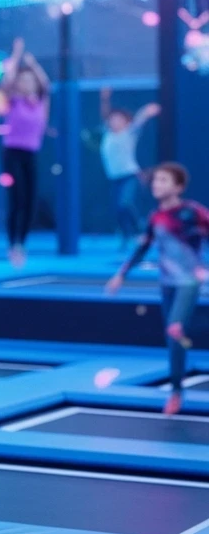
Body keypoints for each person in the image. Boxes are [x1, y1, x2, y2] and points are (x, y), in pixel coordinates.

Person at [107, 163, 209, 415]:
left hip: (189, 281)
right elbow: (142, 249)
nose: (156, 185)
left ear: (178, 187)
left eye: (163, 180)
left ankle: (178, 380)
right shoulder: (155, 217)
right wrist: (121, 275)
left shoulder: (192, 212)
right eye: (155, 181)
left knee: (175, 328)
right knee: (173, 338)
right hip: (167, 284)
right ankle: (176, 391)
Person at [0, 38, 51, 266]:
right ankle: (12, 243)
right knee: (17, 199)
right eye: (24, 80)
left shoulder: (40, 102)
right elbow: (7, 81)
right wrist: (18, 53)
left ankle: (22, 242)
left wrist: (35, 65)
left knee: (30, 201)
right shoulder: (13, 101)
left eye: (30, 80)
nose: (28, 83)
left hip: (31, 154)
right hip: (12, 154)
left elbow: (46, 84)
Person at [99, 88, 160, 245]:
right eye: (113, 119)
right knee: (118, 209)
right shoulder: (108, 133)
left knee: (125, 203)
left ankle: (140, 229)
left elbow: (139, 120)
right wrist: (105, 99)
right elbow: (105, 114)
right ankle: (126, 235)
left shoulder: (129, 133)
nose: (115, 122)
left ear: (126, 122)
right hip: (114, 177)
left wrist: (147, 111)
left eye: (119, 119)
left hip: (129, 175)